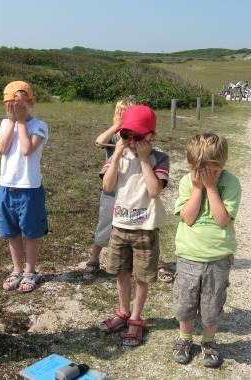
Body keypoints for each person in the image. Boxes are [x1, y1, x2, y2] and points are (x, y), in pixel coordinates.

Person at [98, 105, 170, 346]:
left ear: (150, 136)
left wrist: (144, 159)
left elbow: (153, 190)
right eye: (125, 135)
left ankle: (137, 318)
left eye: (137, 137)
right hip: (120, 225)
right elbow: (107, 187)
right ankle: (122, 311)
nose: (130, 141)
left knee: (141, 276)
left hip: (145, 228)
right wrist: (117, 154)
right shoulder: (118, 155)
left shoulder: (159, 158)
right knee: (121, 272)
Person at [171, 133, 241, 368]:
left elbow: (222, 220)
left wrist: (211, 187)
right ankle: (184, 339)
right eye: (198, 169)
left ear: (221, 165)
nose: (204, 174)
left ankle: (209, 341)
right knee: (185, 302)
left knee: (212, 304)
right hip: (189, 255)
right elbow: (188, 218)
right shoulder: (186, 182)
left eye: (212, 169)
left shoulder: (230, 183)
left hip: (218, 257)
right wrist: (198, 188)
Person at [0, 81, 49, 293]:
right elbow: (2, 148)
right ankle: (17, 269)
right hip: (6, 188)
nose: (15, 109)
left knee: (31, 233)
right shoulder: (5, 124)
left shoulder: (39, 126)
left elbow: (27, 149)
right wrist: (12, 122)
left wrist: (21, 122)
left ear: (31, 103)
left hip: (30, 189)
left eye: (20, 104)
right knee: (11, 232)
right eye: (10, 105)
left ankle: (30, 271)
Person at [83, 97, 136, 280]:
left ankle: (138, 261)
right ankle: (94, 259)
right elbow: (99, 142)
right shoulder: (115, 135)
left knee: (136, 226)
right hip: (111, 190)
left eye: (124, 113)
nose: (120, 116)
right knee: (105, 224)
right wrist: (115, 126)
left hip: (130, 190)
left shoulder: (135, 135)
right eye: (117, 112)